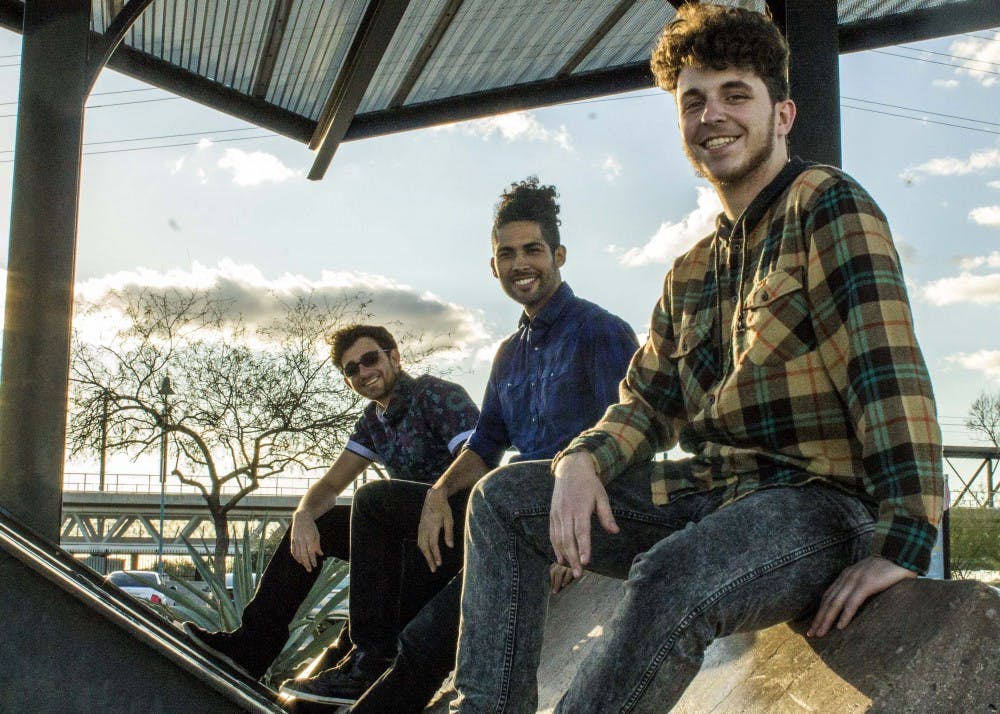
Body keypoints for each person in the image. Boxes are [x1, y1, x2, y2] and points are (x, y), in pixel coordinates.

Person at [450, 7, 945, 713]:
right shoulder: (691, 271)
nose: (712, 115)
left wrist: (904, 539)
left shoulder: (826, 205)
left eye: (735, 94)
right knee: (503, 499)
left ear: (782, 114)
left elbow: (886, 369)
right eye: (694, 101)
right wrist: (582, 460)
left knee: (675, 572)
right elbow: (645, 401)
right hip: (712, 494)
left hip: (819, 500)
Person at [280, 176, 639, 709]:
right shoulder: (507, 356)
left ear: (559, 254)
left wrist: (577, 535)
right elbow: (486, 443)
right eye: (507, 254)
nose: (521, 264)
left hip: (568, 517)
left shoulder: (601, 332)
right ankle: (366, 657)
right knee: (377, 502)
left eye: (533, 250)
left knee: (430, 641)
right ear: (492, 266)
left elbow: (629, 438)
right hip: (511, 515)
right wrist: (436, 494)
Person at [183, 324, 480, 680]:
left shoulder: (436, 395)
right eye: (351, 369)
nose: (364, 372)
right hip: (406, 542)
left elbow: (480, 459)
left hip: (455, 534)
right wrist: (304, 515)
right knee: (320, 524)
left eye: (370, 359)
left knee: (373, 499)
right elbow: (329, 485)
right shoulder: (373, 421)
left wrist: (438, 493)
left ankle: (369, 656)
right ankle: (252, 648)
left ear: (395, 357)